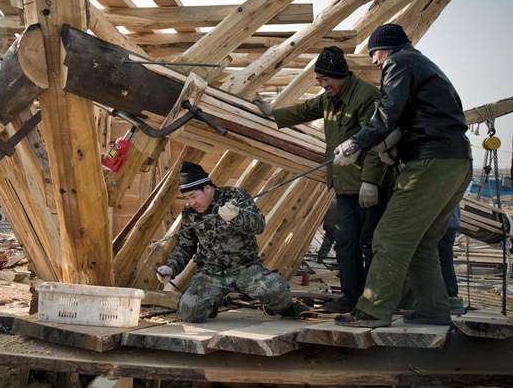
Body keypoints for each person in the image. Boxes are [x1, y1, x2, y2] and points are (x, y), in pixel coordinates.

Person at [333, 23, 472, 327]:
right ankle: (433, 309)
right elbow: (421, 115)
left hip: (430, 163)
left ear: (387, 47)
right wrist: (395, 148)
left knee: (389, 236)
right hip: (455, 161)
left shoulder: (400, 62)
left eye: (374, 53)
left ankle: (372, 309)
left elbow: (388, 111)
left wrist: (356, 143)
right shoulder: (425, 66)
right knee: (423, 241)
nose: (374, 61)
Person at [255, 46, 395, 313]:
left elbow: (378, 140)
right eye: (318, 80)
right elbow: (304, 110)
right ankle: (350, 298)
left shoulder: (366, 96)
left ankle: (374, 301)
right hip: (344, 185)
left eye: (324, 79)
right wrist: (272, 112)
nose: (321, 85)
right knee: (346, 244)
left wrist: (371, 181)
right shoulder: (330, 98)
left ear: (339, 75)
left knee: (371, 244)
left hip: (368, 186)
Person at [156, 162, 305, 323]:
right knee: (188, 312)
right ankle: (213, 302)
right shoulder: (189, 214)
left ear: (207, 188)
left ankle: (279, 306)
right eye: (187, 198)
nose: (191, 202)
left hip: (245, 268)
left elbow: (259, 225)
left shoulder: (235, 197)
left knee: (278, 292)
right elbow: (185, 246)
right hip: (211, 272)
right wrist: (171, 267)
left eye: (193, 196)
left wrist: (236, 217)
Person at [439, 205, 465, 314]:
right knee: (446, 261)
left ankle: (450, 296)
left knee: (443, 262)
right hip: (451, 224)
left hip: (443, 225)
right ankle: (451, 295)